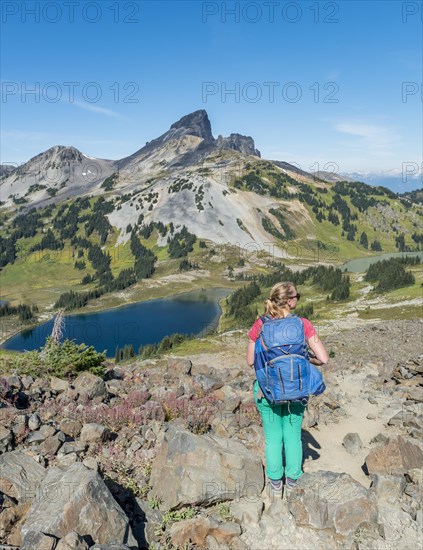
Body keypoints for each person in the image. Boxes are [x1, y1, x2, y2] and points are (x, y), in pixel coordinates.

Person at [246, 281, 328, 496]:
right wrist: (308, 359)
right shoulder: (303, 324)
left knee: (273, 438)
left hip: (267, 391)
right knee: (292, 437)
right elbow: (324, 358)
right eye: (297, 297)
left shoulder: (260, 324)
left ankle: (275, 484)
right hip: (297, 391)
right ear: (291, 301)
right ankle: (293, 480)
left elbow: (249, 361)